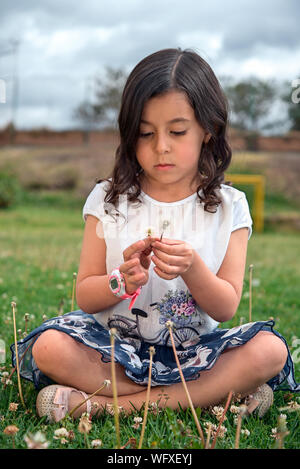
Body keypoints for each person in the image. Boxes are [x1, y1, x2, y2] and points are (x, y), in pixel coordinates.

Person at [11, 48, 299, 423]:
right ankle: (212, 395)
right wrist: (121, 280)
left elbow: (225, 307)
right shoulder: (108, 198)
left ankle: (104, 406)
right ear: (131, 133)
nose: (161, 146)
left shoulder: (230, 206)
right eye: (146, 133)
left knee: (269, 351)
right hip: (112, 349)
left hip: (194, 353)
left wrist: (193, 268)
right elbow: (85, 294)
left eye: (177, 131)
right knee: (48, 347)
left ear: (208, 130)